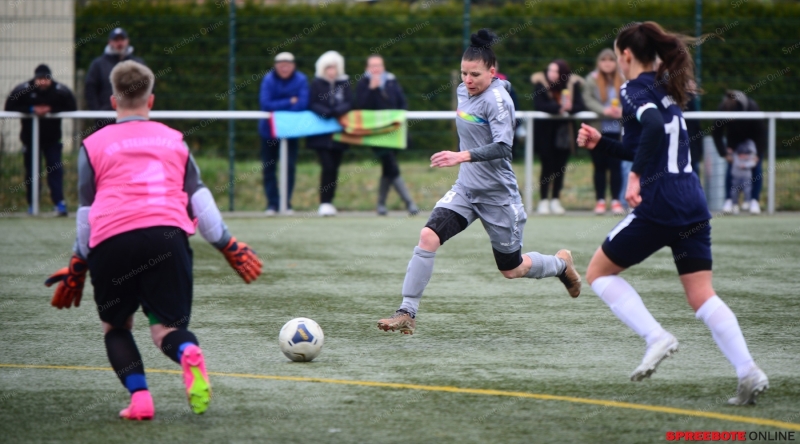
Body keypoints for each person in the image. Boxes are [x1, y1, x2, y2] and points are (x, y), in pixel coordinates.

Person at [44, 61, 263, 420]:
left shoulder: (93, 145)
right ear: (151, 100)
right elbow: (199, 198)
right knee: (167, 331)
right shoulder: (173, 140)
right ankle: (187, 352)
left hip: (111, 241)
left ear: (113, 101)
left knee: (116, 327)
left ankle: (141, 398)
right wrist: (227, 244)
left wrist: (78, 263)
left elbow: (86, 211)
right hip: (167, 237)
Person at [576, 21, 767, 405]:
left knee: (597, 273)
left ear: (625, 55)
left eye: (618, 55)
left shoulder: (633, 88)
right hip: (692, 200)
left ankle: (656, 337)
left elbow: (651, 129)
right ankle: (748, 371)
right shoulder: (667, 88)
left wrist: (635, 179)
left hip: (660, 200)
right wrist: (601, 144)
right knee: (702, 295)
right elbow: (646, 144)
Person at [376, 29, 581, 336]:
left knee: (511, 269)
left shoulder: (498, 102)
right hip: (466, 189)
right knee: (428, 236)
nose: (468, 80)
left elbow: (503, 147)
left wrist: (461, 156)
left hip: (498, 196)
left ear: (492, 72)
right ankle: (407, 311)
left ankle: (561, 264)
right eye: (464, 73)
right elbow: (501, 86)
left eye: (475, 74)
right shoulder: (465, 90)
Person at [4, 64, 77, 216]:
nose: (43, 82)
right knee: (32, 173)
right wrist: (31, 110)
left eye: (46, 79)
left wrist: (51, 109)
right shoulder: (23, 90)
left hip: (52, 141)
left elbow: (72, 107)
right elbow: (9, 107)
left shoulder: (60, 91)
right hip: (30, 141)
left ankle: (59, 203)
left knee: (55, 171)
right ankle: (33, 204)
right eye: (40, 79)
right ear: (35, 79)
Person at [355, 54, 419, 216]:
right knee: (390, 164)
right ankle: (409, 202)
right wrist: (371, 89)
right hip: (376, 134)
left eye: (379, 65)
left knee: (388, 167)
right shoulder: (363, 84)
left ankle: (381, 204)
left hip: (394, 132)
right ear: (367, 68)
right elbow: (361, 107)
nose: (376, 69)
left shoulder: (391, 81)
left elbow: (402, 103)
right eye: (372, 66)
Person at [530, 59, 585, 215]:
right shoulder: (540, 84)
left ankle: (555, 199)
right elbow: (539, 105)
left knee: (560, 167)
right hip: (545, 133)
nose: (552, 74)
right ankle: (543, 200)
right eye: (550, 70)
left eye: (555, 71)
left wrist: (570, 108)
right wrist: (558, 108)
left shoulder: (572, 85)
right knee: (546, 166)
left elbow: (580, 106)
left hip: (564, 133)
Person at [258, 52, 309, 216]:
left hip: (291, 131)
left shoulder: (301, 79)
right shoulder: (268, 79)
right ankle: (272, 204)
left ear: (293, 66)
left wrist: (279, 105)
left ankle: (285, 203)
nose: (284, 68)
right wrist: (289, 101)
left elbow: (302, 104)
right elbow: (266, 104)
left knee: (289, 167)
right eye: (281, 65)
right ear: (276, 66)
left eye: (288, 65)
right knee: (269, 167)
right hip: (269, 132)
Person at [307, 50, 352, 217]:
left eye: (334, 67)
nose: (331, 71)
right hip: (321, 135)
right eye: (328, 67)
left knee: (335, 167)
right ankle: (324, 202)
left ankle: (329, 201)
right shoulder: (317, 83)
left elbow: (349, 102)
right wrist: (326, 112)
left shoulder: (344, 83)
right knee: (327, 166)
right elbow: (312, 103)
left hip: (339, 134)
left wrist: (338, 110)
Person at [582, 49, 624, 215]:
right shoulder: (591, 79)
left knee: (616, 166)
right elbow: (587, 99)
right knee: (599, 165)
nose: (607, 63)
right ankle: (600, 200)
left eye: (611, 60)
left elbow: (631, 99)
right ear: (598, 62)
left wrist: (622, 111)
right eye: (603, 60)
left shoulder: (623, 78)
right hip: (597, 129)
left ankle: (615, 201)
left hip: (617, 130)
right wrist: (603, 110)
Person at [713, 90, 766, 215]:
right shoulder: (722, 109)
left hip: (753, 144)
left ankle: (754, 200)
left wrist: (757, 155)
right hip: (734, 145)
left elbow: (762, 134)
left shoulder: (752, 108)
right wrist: (724, 153)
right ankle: (729, 200)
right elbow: (716, 133)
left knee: (757, 170)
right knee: (731, 172)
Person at [85, 27, 145, 132]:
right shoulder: (98, 64)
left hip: (133, 119)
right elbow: (90, 90)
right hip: (105, 121)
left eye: (122, 39)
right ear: (110, 42)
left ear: (127, 41)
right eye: (116, 40)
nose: (119, 43)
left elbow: (148, 87)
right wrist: (98, 114)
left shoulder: (138, 63)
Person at [729, 140, 758, 213]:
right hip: (736, 176)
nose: (743, 155)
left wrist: (745, 165)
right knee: (734, 191)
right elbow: (734, 161)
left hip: (746, 176)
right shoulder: (735, 154)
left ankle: (747, 202)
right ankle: (734, 204)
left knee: (747, 190)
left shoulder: (751, 153)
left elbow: (753, 162)